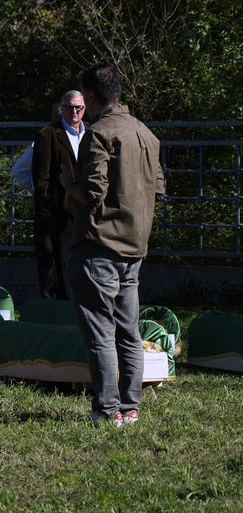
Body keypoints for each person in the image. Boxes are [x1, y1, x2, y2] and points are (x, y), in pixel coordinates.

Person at [60, 64, 164, 427]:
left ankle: (106, 411)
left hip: (98, 245)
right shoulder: (147, 135)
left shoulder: (99, 134)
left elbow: (91, 193)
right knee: (129, 331)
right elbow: (159, 188)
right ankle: (130, 407)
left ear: (89, 97)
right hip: (135, 247)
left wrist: (67, 182)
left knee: (101, 334)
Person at [32, 89, 87, 301]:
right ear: (62, 108)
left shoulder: (90, 132)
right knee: (53, 265)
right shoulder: (47, 135)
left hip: (82, 210)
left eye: (79, 107)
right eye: (70, 107)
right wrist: (46, 204)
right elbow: (41, 176)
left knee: (77, 265)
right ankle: (53, 311)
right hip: (56, 211)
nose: (75, 111)